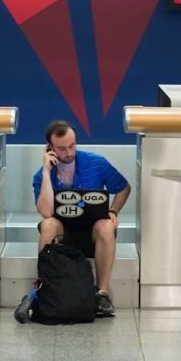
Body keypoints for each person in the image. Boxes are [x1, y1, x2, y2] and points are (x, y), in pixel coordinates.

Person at [33, 120, 130, 317]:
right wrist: (46, 172)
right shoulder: (41, 175)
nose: (68, 153)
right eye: (61, 149)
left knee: (106, 225)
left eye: (72, 145)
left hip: (92, 233)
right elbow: (45, 211)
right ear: (50, 148)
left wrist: (113, 211)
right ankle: (46, 287)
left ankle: (102, 293)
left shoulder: (96, 162)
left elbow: (123, 188)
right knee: (48, 224)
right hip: (64, 234)